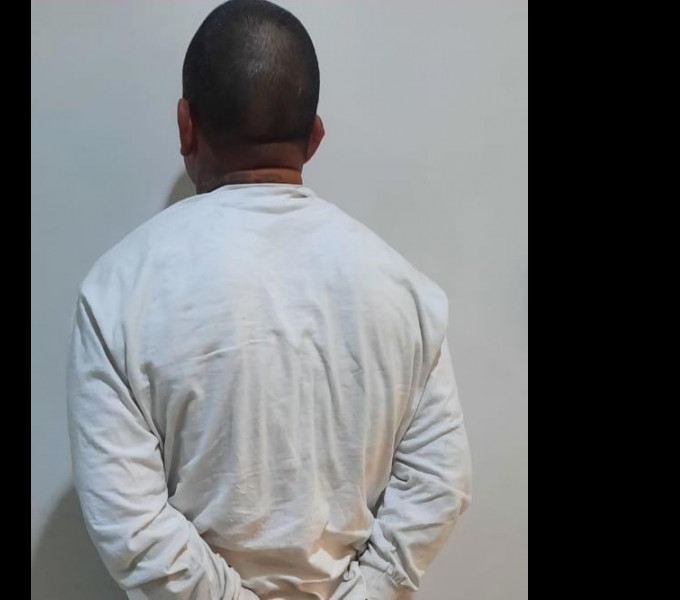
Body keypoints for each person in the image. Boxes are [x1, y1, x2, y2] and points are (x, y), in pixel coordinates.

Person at [66, 1, 472, 598]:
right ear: (314, 137)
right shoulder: (406, 292)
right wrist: (367, 589)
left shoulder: (117, 291)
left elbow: (131, 525)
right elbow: (440, 482)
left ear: (185, 125)